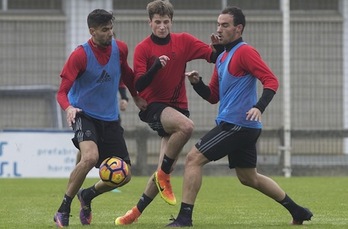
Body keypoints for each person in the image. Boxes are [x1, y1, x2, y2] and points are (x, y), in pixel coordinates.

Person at [166, 6, 313, 227]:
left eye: (225, 25)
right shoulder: (222, 57)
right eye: (218, 24)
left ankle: (184, 218)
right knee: (248, 178)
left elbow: (271, 81)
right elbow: (213, 96)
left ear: (238, 28)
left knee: (193, 159)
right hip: (240, 126)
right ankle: (297, 211)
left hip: (238, 125)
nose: (219, 29)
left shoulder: (245, 52)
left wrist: (259, 107)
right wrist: (197, 84)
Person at [114, 0, 223, 225]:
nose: (162, 26)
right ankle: (164, 176)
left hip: (178, 108)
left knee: (167, 165)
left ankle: (134, 213)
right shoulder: (144, 48)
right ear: (150, 22)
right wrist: (157, 66)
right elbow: (140, 84)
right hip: (154, 107)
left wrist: (219, 46)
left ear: (171, 22)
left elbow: (213, 57)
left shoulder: (183, 41)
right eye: (157, 22)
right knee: (187, 127)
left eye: (166, 22)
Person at [53, 9, 147, 228]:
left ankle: (86, 196)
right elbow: (61, 92)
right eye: (105, 30)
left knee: (125, 175)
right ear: (92, 31)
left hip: (110, 119)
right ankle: (63, 208)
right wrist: (68, 108)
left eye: (111, 28)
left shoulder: (120, 49)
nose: (110, 33)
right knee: (89, 157)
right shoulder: (80, 55)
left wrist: (135, 97)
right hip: (83, 114)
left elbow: (127, 75)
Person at [75, 81, 129, 165]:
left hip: (111, 117)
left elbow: (120, 82)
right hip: (90, 115)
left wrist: (124, 98)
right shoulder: (90, 73)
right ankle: (78, 170)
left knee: (111, 150)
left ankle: (109, 175)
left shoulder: (114, 70)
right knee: (87, 147)